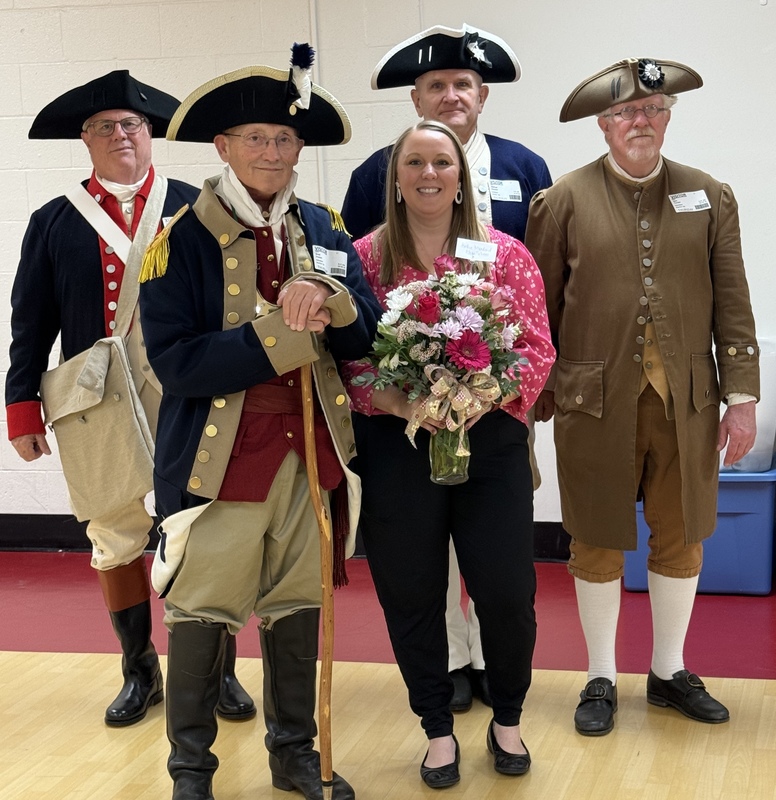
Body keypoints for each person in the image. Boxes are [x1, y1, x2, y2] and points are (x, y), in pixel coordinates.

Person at [138, 51, 382, 800]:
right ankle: (191, 770)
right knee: (203, 611)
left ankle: (295, 758)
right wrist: (280, 332)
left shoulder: (325, 226)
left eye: (284, 140)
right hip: (222, 465)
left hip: (311, 456)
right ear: (223, 147)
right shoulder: (177, 242)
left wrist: (335, 302)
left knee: (297, 607)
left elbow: (366, 331)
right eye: (256, 139)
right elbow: (175, 365)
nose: (272, 153)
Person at [5, 70, 254, 727]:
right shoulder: (54, 221)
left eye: (134, 125)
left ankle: (215, 669)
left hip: (188, 388)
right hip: (97, 399)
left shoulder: (201, 207)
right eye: (106, 127)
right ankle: (139, 669)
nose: (123, 135)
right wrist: (21, 408)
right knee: (114, 533)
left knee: (203, 530)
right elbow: (30, 324)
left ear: (152, 135)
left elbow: (235, 307)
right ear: (84, 140)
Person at [525, 57, 759, 736]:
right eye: (628, 112)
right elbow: (539, 311)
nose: (642, 122)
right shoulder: (561, 199)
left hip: (686, 400)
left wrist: (740, 396)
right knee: (595, 537)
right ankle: (600, 674)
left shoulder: (709, 195)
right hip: (591, 401)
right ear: (604, 124)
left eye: (655, 110)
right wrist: (534, 399)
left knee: (681, 535)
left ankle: (667, 670)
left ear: (667, 118)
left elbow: (734, 303)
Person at [342, 22, 553, 711]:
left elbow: (535, 308)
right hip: (403, 430)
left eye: (463, 83)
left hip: (491, 414)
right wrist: (403, 399)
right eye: (437, 85)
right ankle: (452, 665)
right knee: (418, 565)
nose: (451, 94)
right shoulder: (375, 175)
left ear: (481, 94)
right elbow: (355, 315)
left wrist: (493, 393)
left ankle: (496, 666)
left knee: (496, 562)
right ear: (417, 99)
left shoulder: (525, 166)